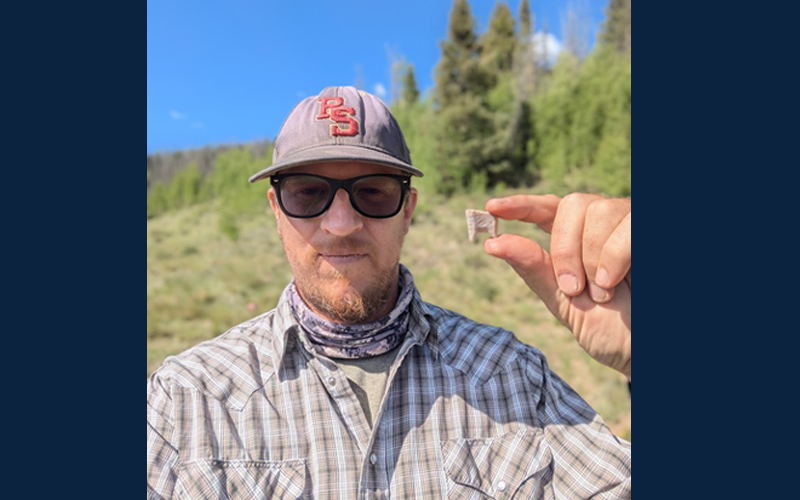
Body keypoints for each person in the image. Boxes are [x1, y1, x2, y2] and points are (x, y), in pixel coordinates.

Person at [147, 86, 631, 499]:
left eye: (374, 192)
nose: (341, 224)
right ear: (277, 210)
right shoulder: (188, 397)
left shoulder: (510, 374)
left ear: (408, 209)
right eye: (307, 193)